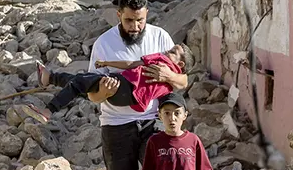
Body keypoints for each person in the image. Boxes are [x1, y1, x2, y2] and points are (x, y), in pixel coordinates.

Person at [89, 0, 188, 170]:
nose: (135, 27)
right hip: (116, 126)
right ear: (119, 15)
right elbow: (92, 95)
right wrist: (104, 93)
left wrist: (169, 75)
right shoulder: (104, 45)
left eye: (141, 20)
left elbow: (182, 82)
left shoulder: (160, 38)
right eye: (130, 20)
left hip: (153, 123)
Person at [25, 44, 193, 123]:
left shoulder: (162, 62)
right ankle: (50, 77)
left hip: (125, 87)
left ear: (181, 65)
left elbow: (131, 64)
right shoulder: (171, 84)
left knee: (80, 82)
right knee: (83, 83)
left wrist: (107, 63)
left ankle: (48, 109)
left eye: (172, 52)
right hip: (128, 99)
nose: (166, 51)